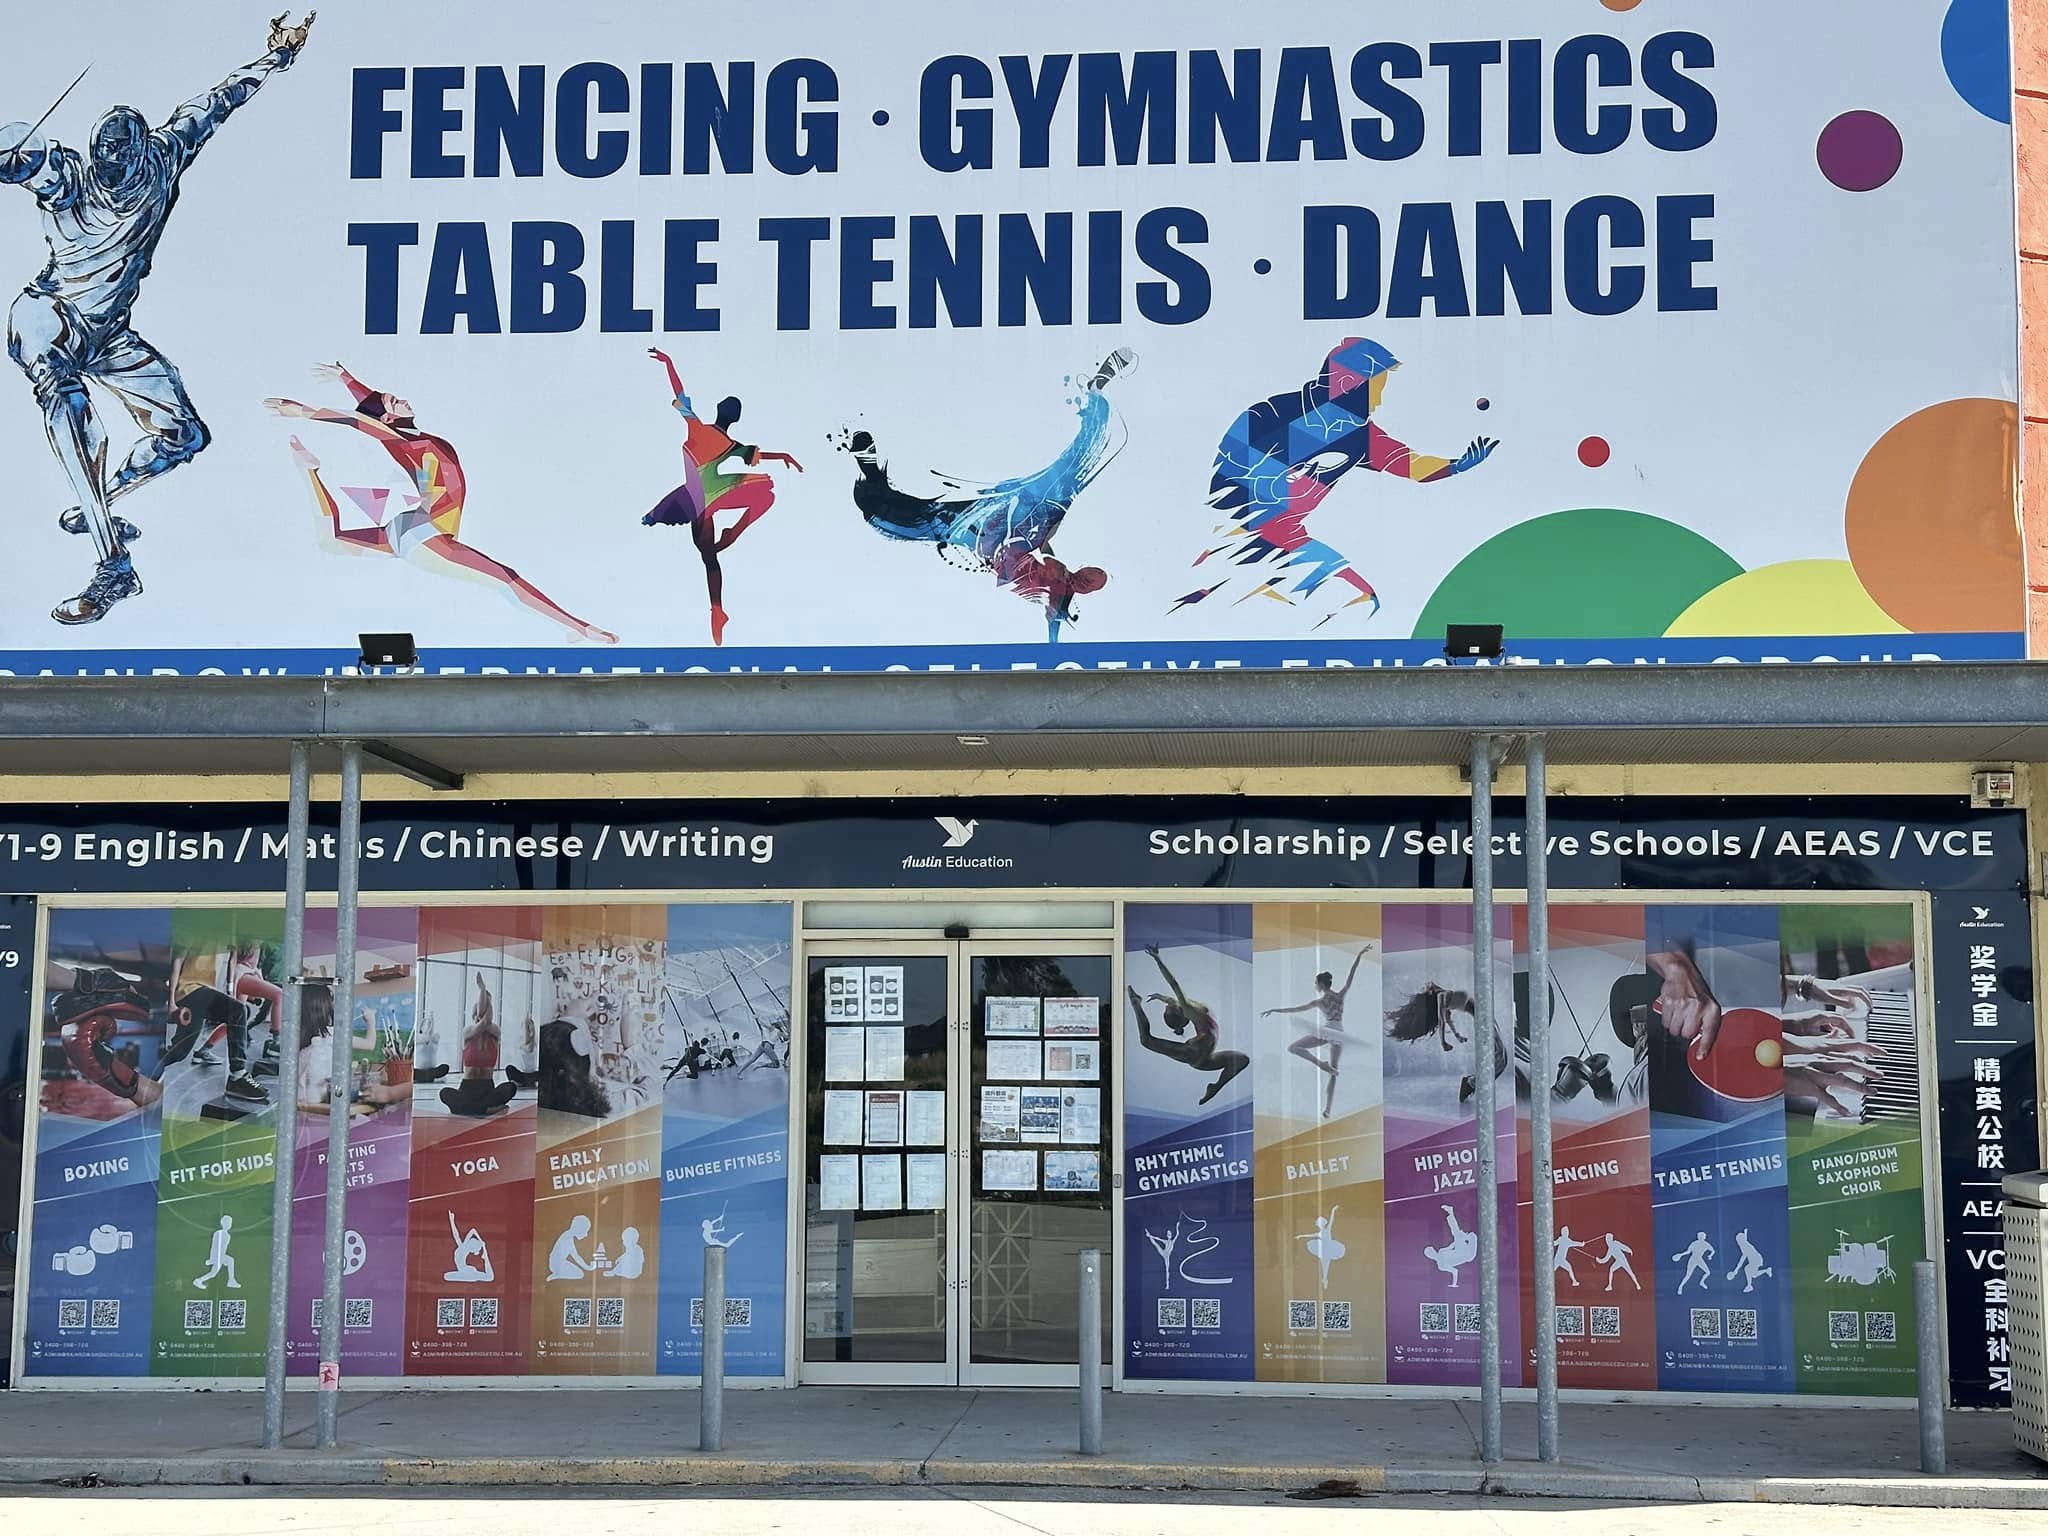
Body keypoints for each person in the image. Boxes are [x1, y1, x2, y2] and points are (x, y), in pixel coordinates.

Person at [0, 14, 315, 623]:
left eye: (124, 169)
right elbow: (31, 162)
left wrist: (276, 57)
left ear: (143, 153)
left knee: (185, 436)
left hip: (108, 333)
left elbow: (221, 100)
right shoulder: (70, 179)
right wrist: (12, 156)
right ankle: (113, 565)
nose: (114, 183)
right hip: (50, 315)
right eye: (106, 169)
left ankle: (99, 501)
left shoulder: (166, 154)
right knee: (64, 399)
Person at [265, 362, 616, 643]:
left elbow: (371, 407)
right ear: (389, 419)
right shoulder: (403, 441)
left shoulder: (412, 437)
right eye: (394, 402)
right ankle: (579, 628)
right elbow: (363, 420)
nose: (402, 399)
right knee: (505, 579)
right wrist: (307, 412)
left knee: (333, 541)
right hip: (427, 533)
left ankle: (309, 473)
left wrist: (347, 378)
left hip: (409, 527)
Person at [1176, 338, 1497, 625]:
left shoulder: (1361, 434)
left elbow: (1411, 465)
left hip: (1287, 541)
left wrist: (1456, 466)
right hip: (1229, 535)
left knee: (1358, 603)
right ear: (1348, 383)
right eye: (1376, 387)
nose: (1379, 400)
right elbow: (1227, 468)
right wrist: (1269, 483)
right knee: (1205, 601)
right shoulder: (1273, 413)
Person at [848, 348, 1134, 641]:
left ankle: (871, 477)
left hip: (993, 534)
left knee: (926, 520)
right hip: (1012, 521)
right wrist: (1044, 537)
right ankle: (1096, 392)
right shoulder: (1059, 571)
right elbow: (1044, 555)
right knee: (1075, 465)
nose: (1085, 577)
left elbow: (1051, 615)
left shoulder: (1060, 590)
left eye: (1089, 578)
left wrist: (1053, 647)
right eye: (1089, 576)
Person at [640, 347, 803, 646]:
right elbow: (759, 454)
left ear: (718, 408)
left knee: (708, 556)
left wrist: (668, 363)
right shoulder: (731, 445)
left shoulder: (697, 427)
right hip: (707, 497)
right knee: (765, 494)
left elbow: (679, 391)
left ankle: (718, 601)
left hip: (698, 500)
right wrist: (783, 456)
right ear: (736, 419)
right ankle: (717, 606)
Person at [1128, 944, 1249, 1106]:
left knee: (1242, 1059)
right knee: (1146, 1040)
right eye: (1168, 1009)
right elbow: (1174, 986)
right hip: (1193, 1053)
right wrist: (1158, 960)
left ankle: (1215, 1087)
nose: (1168, 1004)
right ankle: (1136, 1002)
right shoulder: (1186, 1007)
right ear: (1181, 1014)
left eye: (1167, 1008)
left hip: (1207, 1059)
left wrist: (1160, 995)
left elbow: (1172, 996)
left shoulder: (1185, 1007)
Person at [1262, 947, 1372, 1119]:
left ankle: (1321, 1064)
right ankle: (1328, 1109)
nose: (1315, 985)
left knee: (1293, 1047)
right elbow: (1352, 973)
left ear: (1321, 984)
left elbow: (1296, 1009)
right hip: (1339, 1033)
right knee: (1334, 1072)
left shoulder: (1320, 1002)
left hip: (1328, 1031)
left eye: (1316, 983)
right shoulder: (1340, 995)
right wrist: (1359, 954)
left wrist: (1275, 1010)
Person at [163, 945, 267, 1104]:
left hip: (205, 991)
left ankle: (147, 1067)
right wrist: (171, 1002)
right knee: (238, 1010)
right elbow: (178, 959)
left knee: (179, 1053)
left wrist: (230, 991)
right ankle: (238, 1075)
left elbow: (232, 959)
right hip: (188, 989)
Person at [1424, 1205, 1477, 1287]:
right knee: (1459, 1234)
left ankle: (1451, 1213)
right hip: (1468, 1255)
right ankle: (1451, 1213)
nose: (1433, 1252)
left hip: (1463, 1249)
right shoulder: (1441, 1265)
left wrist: (1460, 1239)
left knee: (1456, 1232)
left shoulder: (1441, 1251)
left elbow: (1452, 1246)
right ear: (1430, 1256)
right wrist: (1454, 1284)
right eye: (1431, 1252)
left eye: (1432, 1250)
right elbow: (1455, 1271)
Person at [1298, 1207, 1345, 1290]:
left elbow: (1331, 1220)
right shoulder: (1319, 1233)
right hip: (1324, 1249)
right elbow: (1309, 1235)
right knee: (1325, 1265)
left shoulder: (1328, 1229)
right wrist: (1300, 1236)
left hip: (1329, 1248)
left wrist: (1333, 1210)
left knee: (1326, 1264)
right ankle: (1325, 1279)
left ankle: (1325, 1279)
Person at [444, 1212, 494, 1283]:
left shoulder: (463, 1247)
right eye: (476, 1251)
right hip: (465, 1272)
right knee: (489, 1277)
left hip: (467, 1271)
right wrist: (451, 1220)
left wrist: (482, 1242)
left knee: (490, 1277)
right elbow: (471, 1231)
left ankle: (485, 1256)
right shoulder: (463, 1247)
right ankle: (485, 1256)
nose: (474, 1253)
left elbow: (465, 1233)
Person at [194, 1213, 239, 1289]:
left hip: (221, 1256)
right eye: (227, 1222)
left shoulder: (228, 1235)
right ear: (222, 1223)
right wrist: (212, 1259)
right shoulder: (218, 1233)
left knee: (213, 1273)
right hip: (217, 1256)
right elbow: (214, 1246)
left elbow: (224, 1248)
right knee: (230, 1261)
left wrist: (223, 1258)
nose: (228, 1224)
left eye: (230, 1223)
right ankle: (231, 1281)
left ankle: (198, 1280)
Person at [1727, 1228, 1774, 1293]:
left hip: (1756, 1259)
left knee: (1747, 1269)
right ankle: (1767, 1270)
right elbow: (1745, 1239)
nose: (1737, 1243)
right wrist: (1745, 1232)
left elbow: (1742, 1259)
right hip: (1756, 1259)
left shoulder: (1745, 1246)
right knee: (1753, 1275)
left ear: (1740, 1241)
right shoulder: (1745, 1243)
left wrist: (1736, 1270)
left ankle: (1749, 1286)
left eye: (1738, 1241)